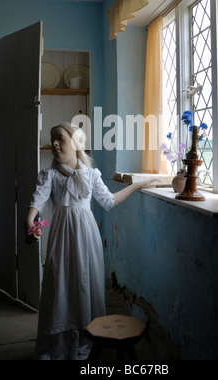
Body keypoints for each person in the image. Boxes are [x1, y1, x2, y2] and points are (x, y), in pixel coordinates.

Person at [25, 122, 155, 360]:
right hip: (62, 239)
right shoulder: (50, 175)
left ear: (75, 143)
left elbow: (109, 202)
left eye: (60, 138)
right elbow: (37, 202)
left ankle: (87, 336)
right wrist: (30, 222)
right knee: (61, 284)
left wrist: (136, 185)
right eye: (52, 139)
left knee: (85, 283)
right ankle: (61, 340)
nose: (54, 143)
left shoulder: (91, 174)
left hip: (87, 237)